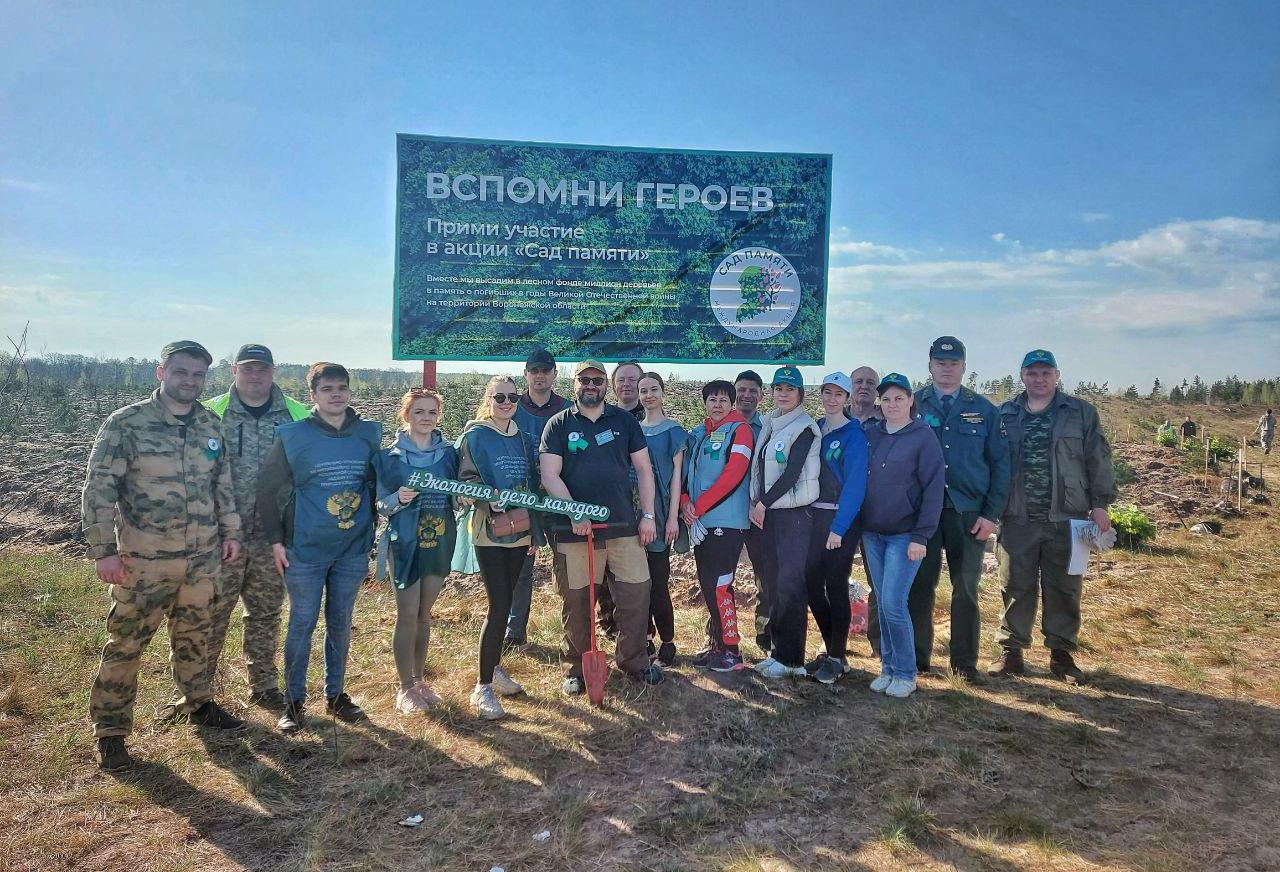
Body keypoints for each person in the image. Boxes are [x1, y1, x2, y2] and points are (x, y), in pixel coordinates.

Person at [84, 340, 245, 771]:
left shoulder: (210, 425)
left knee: (196, 636)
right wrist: (103, 551)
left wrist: (230, 534)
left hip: (201, 558)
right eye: (181, 372)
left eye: (197, 375)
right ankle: (111, 731)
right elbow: (99, 489)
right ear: (161, 373)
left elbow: (222, 487)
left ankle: (199, 704)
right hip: (144, 560)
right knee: (126, 643)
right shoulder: (128, 423)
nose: (189, 382)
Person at [258, 362, 381, 733]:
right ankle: (293, 702)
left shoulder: (368, 434)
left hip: (352, 548)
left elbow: (378, 483)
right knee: (302, 623)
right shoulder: (293, 436)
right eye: (327, 389)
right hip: (305, 549)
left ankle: (336, 695)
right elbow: (266, 489)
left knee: (341, 623)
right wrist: (276, 540)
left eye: (341, 388)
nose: (336, 395)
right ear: (312, 395)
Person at [989, 349, 1116, 684]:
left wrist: (1100, 504)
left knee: (1065, 587)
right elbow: (993, 463)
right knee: (1015, 584)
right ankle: (1011, 652)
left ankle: (1061, 656)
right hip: (1017, 515)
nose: (1039, 379)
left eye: (1046, 373)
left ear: (1057, 376)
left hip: (1069, 516)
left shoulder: (1079, 413)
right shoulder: (1005, 414)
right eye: (1032, 373)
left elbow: (1098, 459)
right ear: (1022, 376)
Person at [540, 359, 663, 691]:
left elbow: (644, 470)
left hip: (624, 527)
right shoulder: (558, 424)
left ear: (605, 385)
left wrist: (648, 516)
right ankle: (576, 670)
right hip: (576, 532)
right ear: (574, 384)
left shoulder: (625, 421)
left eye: (597, 380)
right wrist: (574, 512)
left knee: (636, 595)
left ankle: (634, 661)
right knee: (577, 602)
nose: (591, 385)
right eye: (585, 380)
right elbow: (549, 474)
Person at [202, 343, 309, 710]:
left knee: (265, 612)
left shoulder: (296, 414)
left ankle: (263, 685)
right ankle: (199, 692)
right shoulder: (210, 413)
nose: (255, 375)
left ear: (273, 371)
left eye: (261, 368)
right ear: (233, 371)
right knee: (213, 610)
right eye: (247, 368)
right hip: (221, 535)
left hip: (272, 536)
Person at [908, 336, 1010, 681]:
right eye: (940, 363)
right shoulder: (913, 404)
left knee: (965, 588)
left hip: (969, 514)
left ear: (964, 367)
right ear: (930, 366)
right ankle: (918, 659)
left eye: (953, 364)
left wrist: (991, 515)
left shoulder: (983, 409)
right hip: (924, 514)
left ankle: (964, 664)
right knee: (921, 585)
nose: (946, 369)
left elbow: (1000, 465)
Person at [373, 387, 458, 715]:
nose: (426, 418)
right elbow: (380, 503)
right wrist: (397, 500)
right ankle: (404, 687)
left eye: (432, 412)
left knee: (425, 614)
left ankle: (420, 681)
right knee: (407, 614)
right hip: (404, 544)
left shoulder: (449, 455)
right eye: (419, 412)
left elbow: (457, 494)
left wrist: (460, 500)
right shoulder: (388, 458)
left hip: (438, 543)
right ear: (406, 415)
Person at [861, 373, 945, 699]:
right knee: (882, 603)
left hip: (904, 535)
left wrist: (921, 536)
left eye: (899, 398)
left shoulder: (923, 437)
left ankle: (907, 673)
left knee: (894, 603)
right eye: (886, 399)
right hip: (873, 534)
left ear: (911, 400)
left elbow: (933, 490)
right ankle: (889, 668)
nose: (892, 404)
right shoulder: (874, 434)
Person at [457, 376, 536, 719]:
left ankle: (495, 669)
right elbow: (464, 481)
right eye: (499, 397)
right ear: (489, 399)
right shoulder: (474, 435)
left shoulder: (522, 437)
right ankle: (483, 687)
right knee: (499, 603)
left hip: (520, 533)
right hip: (490, 532)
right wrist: (489, 499)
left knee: (506, 603)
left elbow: (533, 483)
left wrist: (536, 532)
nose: (506, 402)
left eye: (512, 397)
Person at [750, 366, 821, 679]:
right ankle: (778, 652)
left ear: (800, 394)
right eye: (779, 388)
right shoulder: (771, 423)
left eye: (789, 389)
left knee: (791, 585)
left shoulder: (804, 427)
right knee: (775, 583)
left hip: (792, 516)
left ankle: (793, 659)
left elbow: (792, 473)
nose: (783, 393)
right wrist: (759, 503)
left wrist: (762, 503)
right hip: (770, 515)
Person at [683, 379, 755, 672]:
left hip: (726, 521)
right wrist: (685, 502)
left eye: (724, 400)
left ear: (733, 403)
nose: (717, 404)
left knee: (721, 586)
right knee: (708, 585)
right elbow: (687, 473)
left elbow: (733, 475)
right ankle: (716, 645)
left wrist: (698, 507)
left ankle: (732, 651)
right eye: (712, 399)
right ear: (704, 403)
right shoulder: (700, 433)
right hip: (700, 522)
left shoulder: (740, 431)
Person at [803, 372, 868, 684]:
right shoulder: (815, 429)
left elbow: (856, 485)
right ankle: (834, 652)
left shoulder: (854, 435)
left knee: (836, 584)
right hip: (814, 517)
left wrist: (839, 528)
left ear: (847, 399)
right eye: (827, 393)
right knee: (812, 583)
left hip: (841, 518)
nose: (832, 399)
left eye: (838, 394)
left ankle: (836, 655)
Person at [505, 348, 570, 649]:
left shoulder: (569, 410)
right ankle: (514, 632)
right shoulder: (511, 408)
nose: (540, 375)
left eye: (546, 370)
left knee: (568, 568)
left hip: (557, 499)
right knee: (520, 568)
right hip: (521, 500)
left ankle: (574, 634)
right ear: (526, 374)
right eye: (535, 370)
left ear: (555, 374)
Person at [636, 372, 687, 667]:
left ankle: (667, 642)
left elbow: (676, 479)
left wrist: (671, 519)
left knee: (658, 582)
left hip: (660, 516)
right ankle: (644, 638)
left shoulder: (673, 431)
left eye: (654, 389)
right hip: (636, 516)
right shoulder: (634, 430)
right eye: (644, 390)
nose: (648, 395)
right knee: (635, 582)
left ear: (663, 393)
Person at [594, 359, 647, 638]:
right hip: (609, 507)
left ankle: (641, 633)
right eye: (622, 380)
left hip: (641, 510)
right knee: (604, 570)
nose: (627, 385)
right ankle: (608, 624)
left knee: (638, 576)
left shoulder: (651, 417)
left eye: (633, 380)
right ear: (613, 386)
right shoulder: (601, 417)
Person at [733, 369, 772, 651]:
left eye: (752, 390)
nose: (746, 395)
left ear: (761, 395)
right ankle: (720, 639)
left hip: (760, 515)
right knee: (721, 579)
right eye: (742, 389)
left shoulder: (770, 428)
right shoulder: (719, 425)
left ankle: (766, 639)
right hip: (727, 514)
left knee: (766, 578)